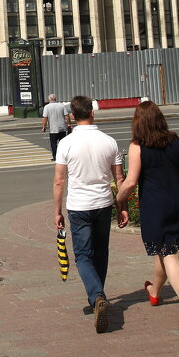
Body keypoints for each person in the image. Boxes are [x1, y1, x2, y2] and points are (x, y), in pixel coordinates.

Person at [116, 101, 179, 325]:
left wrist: (118, 197)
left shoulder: (137, 145)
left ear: (138, 122)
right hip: (178, 201)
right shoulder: (175, 139)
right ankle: (154, 290)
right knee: (164, 248)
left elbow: (131, 181)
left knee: (169, 253)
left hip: (155, 204)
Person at [53, 95, 126, 334]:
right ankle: (98, 296)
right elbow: (119, 179)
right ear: (92, 113)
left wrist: (57, 211)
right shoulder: (109, 142)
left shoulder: (66, 143)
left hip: (78, 206)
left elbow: (59, 181)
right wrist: (122, 206)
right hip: (103, 204)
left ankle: (96, 297)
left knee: (83, 255)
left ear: (73, 116)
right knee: (101, 251)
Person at [41, 93, 71, 160]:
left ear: (49, 99)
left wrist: (44, 127)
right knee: (63, 143)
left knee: (53, 144)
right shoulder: (61, 106)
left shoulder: (47, 107)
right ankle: (65, 157)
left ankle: (55, 157)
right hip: (62, 128)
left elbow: (45, 118)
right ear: (55, 99)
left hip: (53, 129)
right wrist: (69, 124)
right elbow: (67, 116)